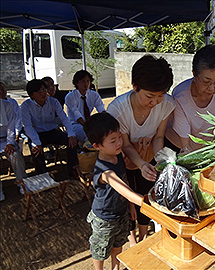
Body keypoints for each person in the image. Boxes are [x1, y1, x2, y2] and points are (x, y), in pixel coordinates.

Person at [107, 54, 175, 246]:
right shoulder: (118, 109)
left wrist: (159, 160)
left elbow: (159, 136)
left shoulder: (167, 104)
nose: (155, 102)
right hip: (125, 158)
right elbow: (125, 145)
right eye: (150, 96)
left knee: (147, 195)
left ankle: (144, 235)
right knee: (129, 198)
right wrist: (141, 163)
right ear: (135, 86)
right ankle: (132, 240)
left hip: (149, 155)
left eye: (160, 95)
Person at [83, 112, 143, 270]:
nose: (119, 143)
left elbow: (126, 181)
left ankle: (115, 268)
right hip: (104, 218)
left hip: (121, 213)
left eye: (119, 137)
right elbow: (122, 188)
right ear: (97, 146)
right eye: (113, 140)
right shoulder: (104, 171)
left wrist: (131, 206)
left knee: (118, 244)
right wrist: (144, 202)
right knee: (100, 249)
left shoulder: (118, 156)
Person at [165, 45, 215, 153]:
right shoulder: (181, 96)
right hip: (177, 147)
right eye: (206, 81)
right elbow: (185, 144)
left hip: (203, 148)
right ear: (194, 75)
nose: (212, 88)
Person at [21, 79, 78, 176]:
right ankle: (43, 176)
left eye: (44, 90)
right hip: (37, 133)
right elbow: (27, 126)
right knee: (36, 150)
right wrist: (36, 142)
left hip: (52, 131)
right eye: (39, 91)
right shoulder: (26, 106)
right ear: (32, 95)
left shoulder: (53, 102)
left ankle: (72, 170)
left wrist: (71, 135)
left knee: (72, 143)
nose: (43, 93)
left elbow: (65, 119)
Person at [65, 70, 105, 144]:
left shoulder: (94, 95)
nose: (86, 84)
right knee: (89, 136)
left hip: (88, 123)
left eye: (88, 81)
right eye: (83, 81)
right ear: (77, 83)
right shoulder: (70, 97)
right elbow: (77, 115)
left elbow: (101, 109)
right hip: (75, 125)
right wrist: (89, 127)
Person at [0, 98, 27, 201]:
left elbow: (11, 126)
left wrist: (10, 142)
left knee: (15, 155)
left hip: (5, 139)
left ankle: (22, 183)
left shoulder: (8, 105)